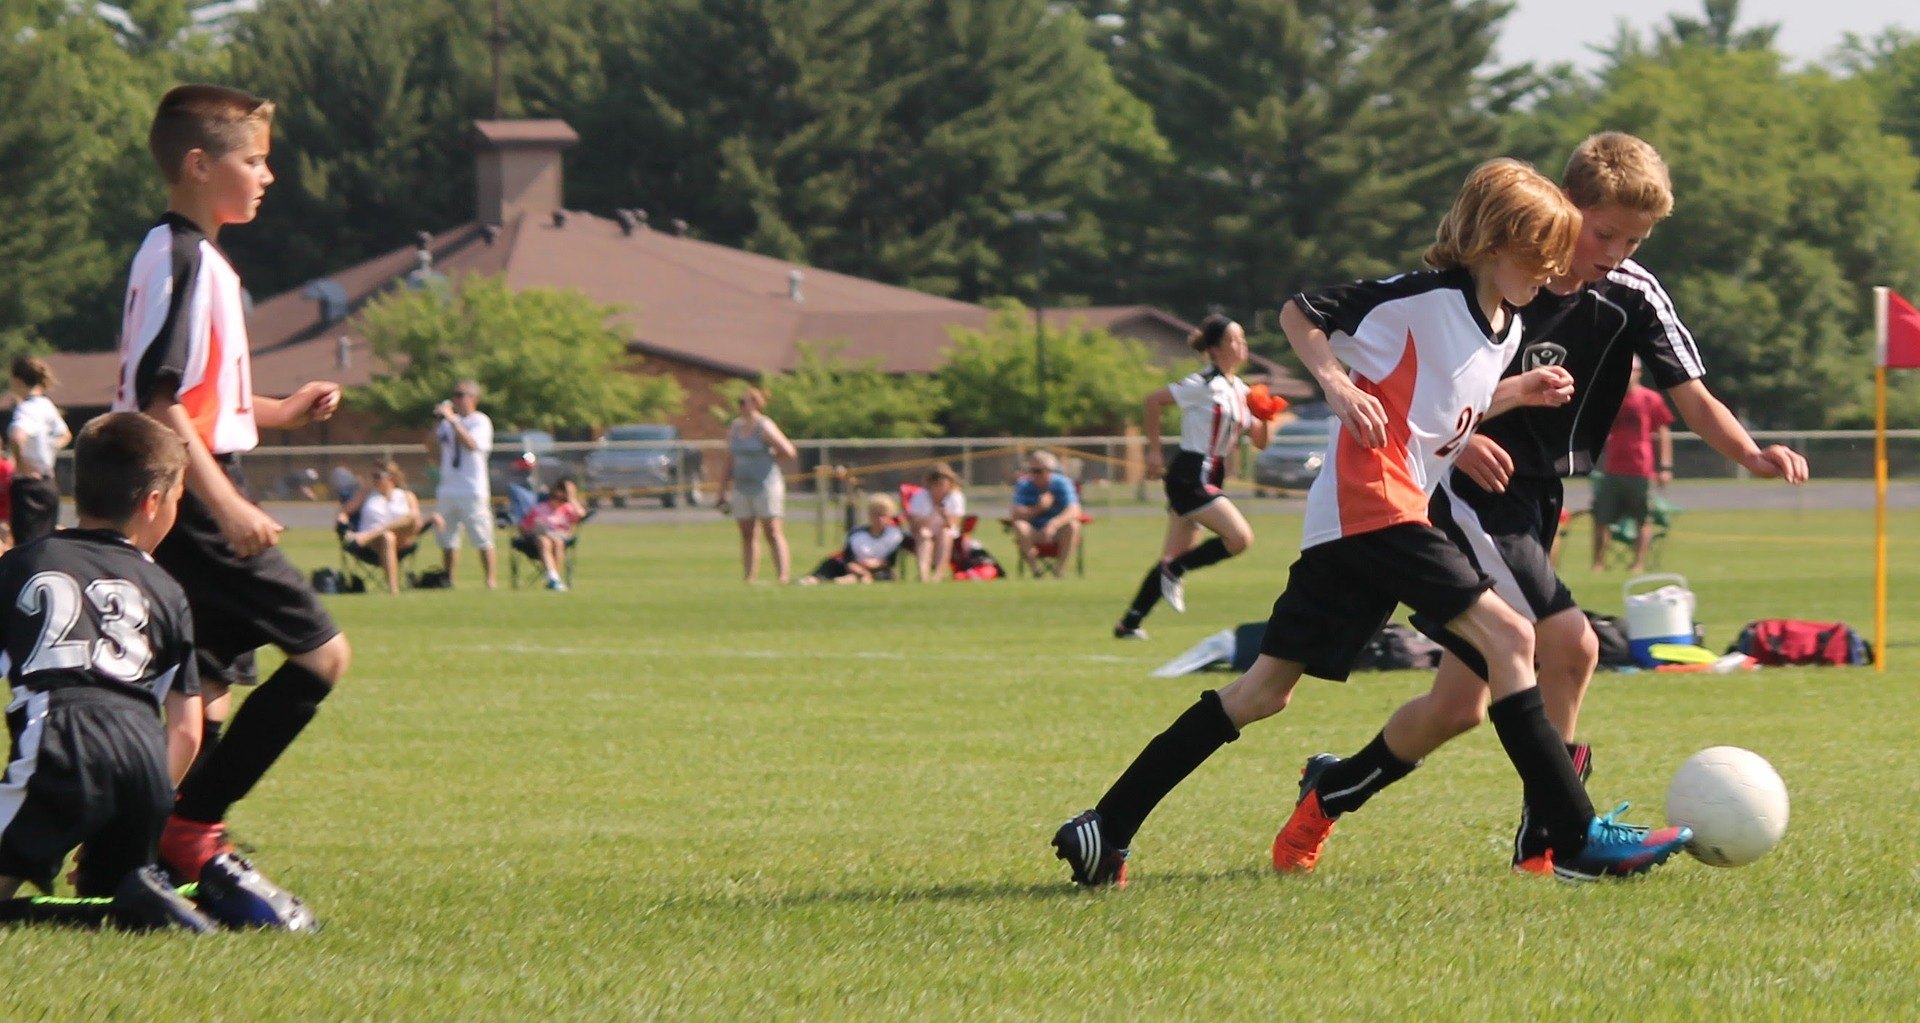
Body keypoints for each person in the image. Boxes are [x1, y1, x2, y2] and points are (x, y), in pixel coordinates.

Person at [1053, 158, 1692, 889]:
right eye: (1537, 255)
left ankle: (1105, 825)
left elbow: (1446, 408)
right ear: (1492, 242)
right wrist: (1335, 385)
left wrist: (1517, 391)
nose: (1550, 272)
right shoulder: (1421, 297)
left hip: (1357, 525)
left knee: (1263, 693)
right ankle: (1572, 836)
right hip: (1375, 507)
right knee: (1514, 635)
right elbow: (1303, 311)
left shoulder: (1505, 328)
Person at [1273, 132, 1808, 878]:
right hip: (1468, 496)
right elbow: (1426, 389)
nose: (1616, 250)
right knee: (1573, 643)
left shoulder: (1631, 294)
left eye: (1635, 238)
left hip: (1537, 498)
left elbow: (1691, 392)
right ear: (1564, 209)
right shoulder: (1495, 277)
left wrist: (1750, 451)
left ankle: (1329, 789)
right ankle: (1555, 840)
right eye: (1606, 231)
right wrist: (1460, 443)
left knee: (1457, 706)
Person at [113, 84, 349, 901]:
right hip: (190, 497)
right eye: (253, 159)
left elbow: (202, 399)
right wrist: (229, 505)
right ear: (198, 164)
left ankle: (130, 846)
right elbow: (158, 399)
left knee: (202, 700)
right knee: (322, 656)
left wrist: (278, 409)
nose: (268, 175)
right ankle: (191, 828)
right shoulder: (181, 257)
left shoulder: (191, 255)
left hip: (189, 488)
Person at [0, 413, 212, 931]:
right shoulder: (167, 589)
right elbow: (186, 729)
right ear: (153, 503)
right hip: (145, 766)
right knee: (113, 904)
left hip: (61, 742)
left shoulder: (23, 564)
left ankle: (39, 917)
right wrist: (139, 809)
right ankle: (142, 902)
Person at [1113, 314, 1280, 638]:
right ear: (1216, 349)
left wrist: (1267, 416)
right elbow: (1153, 400)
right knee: (1239, 539)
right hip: (1190, 472)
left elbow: (1259, 441)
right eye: (1234, 340)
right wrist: (1154, 450)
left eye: (1243, 339)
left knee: (1172, 556)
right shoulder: (1203, 384)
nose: (1241, 346)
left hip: (1213, 473)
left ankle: (1129, 623)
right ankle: (1174, 572)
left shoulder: (1241, 390)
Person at [1591, 358, 1674, 571]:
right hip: (1612, 468)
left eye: (1632, 371)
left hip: (1641, 469)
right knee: (1602, 517)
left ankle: (1637, 564)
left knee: (1642, 519)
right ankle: (1598, 563)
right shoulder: (1611, 398)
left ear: (1639, 373)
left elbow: (1663, 432)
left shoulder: (1650, 399)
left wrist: (1665, 467)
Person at [718, 387, 797, 583]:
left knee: (772, 530)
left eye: (744, 401)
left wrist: (769, 459)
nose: (741, 406)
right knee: (747, 532)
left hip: (766, 485)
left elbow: (788, 450)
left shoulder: (764, 426)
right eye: (740, 402)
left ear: (755, 403)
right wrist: (722, 489)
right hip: (742, 487)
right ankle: (749, 577)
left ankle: (782, 576)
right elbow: (729, 459)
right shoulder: (735, 428)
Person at [428, 380, 496, 589]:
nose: (457, 400)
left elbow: (471, 444)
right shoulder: (449, 423)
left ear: (473, 398)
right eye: (455, 395)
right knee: (447, 538)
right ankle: (449, 579)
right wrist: (438, 422)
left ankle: (490, 580)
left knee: (482, 536)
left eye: (461, 395)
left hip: (472, 488)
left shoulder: (480, 421)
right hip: (448, 487)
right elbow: (431, 447)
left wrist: (453, 421)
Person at [8, 356, 72, 545]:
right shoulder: (47, 405)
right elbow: (65, 434)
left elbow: (17, 437)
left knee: (27, 547)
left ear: (18, 380)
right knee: (47, 544)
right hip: (48, 484)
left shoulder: (26, 409)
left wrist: (21, 466)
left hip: (29, 486)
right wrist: (49, 448)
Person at [336, 460, 424, 594]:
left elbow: (416, 521)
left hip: (401, 541)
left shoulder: (407, 496)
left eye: (378, 475)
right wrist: (343, 524)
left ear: (391, 477)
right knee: (387, 538)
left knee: (411, 517)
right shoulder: (366, 494)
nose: (373, 479)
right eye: (372, 475)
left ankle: (370, 535)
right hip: (373, 545)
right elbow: (344, 513)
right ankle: (394, 590)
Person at [1008, 449, 1083, 578]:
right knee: (1020, 526)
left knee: (1073, 525)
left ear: (1050, 471)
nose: (1034, 474)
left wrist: (1054, 524)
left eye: (1038, 471)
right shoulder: (1024, 484)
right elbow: (1016, 512)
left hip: (1058, 531)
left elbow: (1075, 509)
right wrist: (1039, 507)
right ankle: (1036, 571)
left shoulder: (1062, 483)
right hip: (1034, 530)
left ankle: (1059, 570)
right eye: (1031, 470)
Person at [801, 494, 905, 584]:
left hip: (877, 570)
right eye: (876, 514)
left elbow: (890, 561)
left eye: (884, 515)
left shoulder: (894, 536)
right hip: (851, 566)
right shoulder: (856, 535)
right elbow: (848, 560)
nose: (880, 519)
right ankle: (813, 579)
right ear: (870, 515)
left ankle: (854, 579)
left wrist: (875, 564)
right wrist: (861, 571)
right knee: (830, 566)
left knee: (886, 575)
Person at [517, 476, 586, 591]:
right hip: (539, 539)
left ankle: (554, 579)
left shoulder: (568, 509)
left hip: (559, 537)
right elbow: (523, 526)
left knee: (558, 543)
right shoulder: (539, 508)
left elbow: (581, 515)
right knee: (544, 541)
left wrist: (571, 498)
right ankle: (553, 578)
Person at [905, 463, 967, 582]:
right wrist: (930, 515)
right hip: (923, 532)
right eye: (936, 484)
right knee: (924, 534)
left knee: (945, 533)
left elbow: (953, 523)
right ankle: (924, 574)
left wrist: (944, 514)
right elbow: (914, 524)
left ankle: (938, 575)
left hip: (946, 534)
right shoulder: (920, 497)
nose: (940, 488)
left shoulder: (955, 497)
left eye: (943, 484)